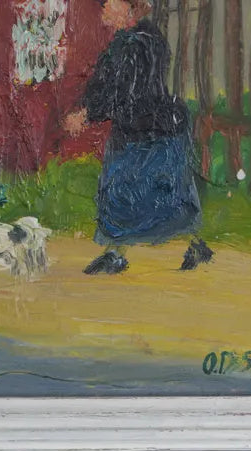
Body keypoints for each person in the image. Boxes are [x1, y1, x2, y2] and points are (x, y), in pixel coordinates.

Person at [64, 0, 213, 274]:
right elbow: (104, 83)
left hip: (150, 130)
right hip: (137, 129)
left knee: (155, 194)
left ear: (129, 7)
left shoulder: (141, 43)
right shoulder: (123, 44)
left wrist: (87, 114)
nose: (105, 10)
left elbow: (123, 89)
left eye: (110, 3)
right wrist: (86, 109)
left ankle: (188, 246)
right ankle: (116, 252)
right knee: (128, 193)